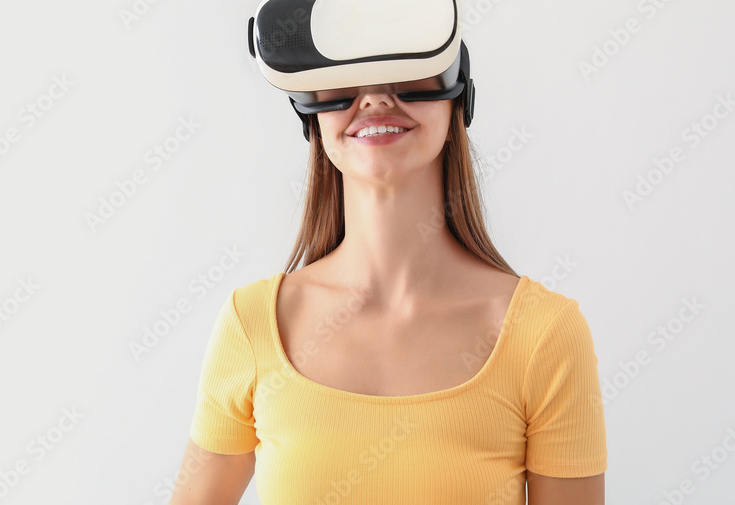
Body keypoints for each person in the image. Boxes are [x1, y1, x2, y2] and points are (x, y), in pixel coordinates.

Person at [169, 76, 607, 504]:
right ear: (311, 111)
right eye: (347, 77)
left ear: (457, 95)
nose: (376, 98)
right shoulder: (253, 323)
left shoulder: (545, 333)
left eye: (404, 69)